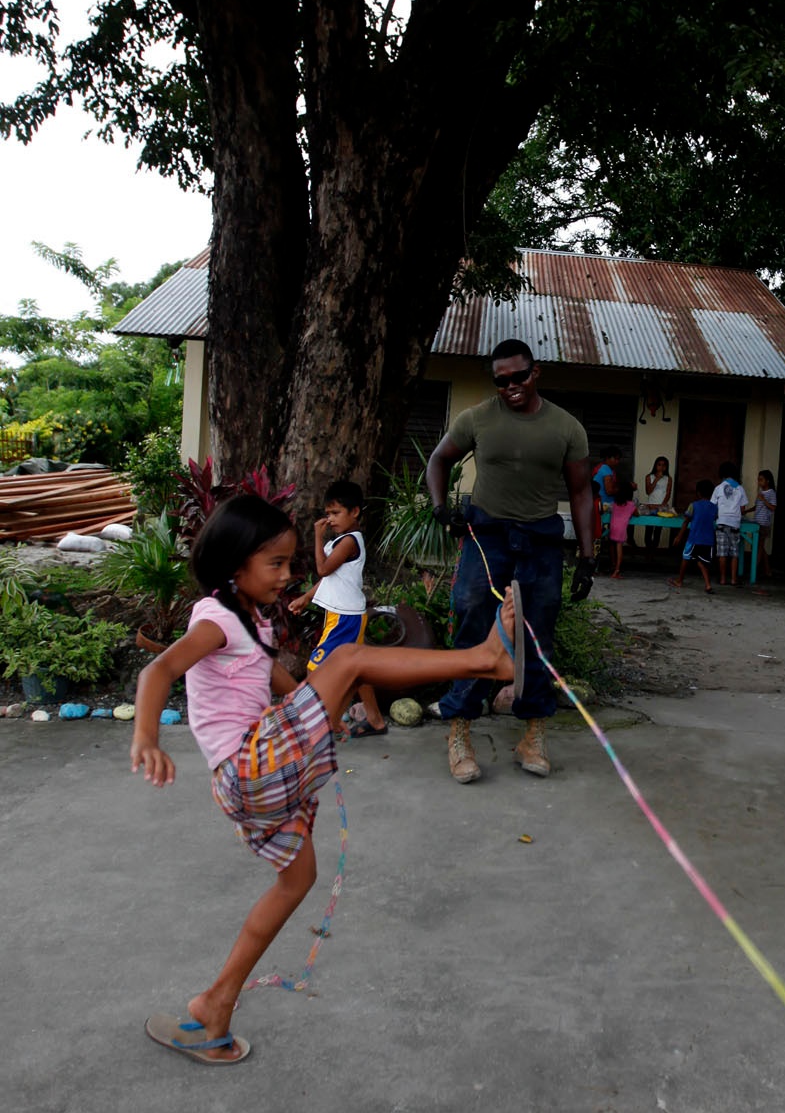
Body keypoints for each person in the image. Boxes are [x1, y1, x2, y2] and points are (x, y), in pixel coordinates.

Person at [131, 494, 522, 1065]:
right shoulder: (213, 618)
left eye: (291, 562)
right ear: (234, 564)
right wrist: (146, 737)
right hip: (248, 768)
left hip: (252, 776)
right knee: (346, 660)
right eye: (275, 563)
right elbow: (160, 668)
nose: (289, 575)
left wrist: (322, 713)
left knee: (297, 880)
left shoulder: (249, 620)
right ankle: (485, 660)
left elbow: (277, 682)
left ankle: (215, 1009)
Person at [426, 338, 595, 783]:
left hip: (540, 538)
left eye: (519, 377)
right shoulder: (477, 419)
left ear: (535, 372)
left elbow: (581, 492)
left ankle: (533, 734)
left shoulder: (566, 427)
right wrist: (441, 507)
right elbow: (438, 460)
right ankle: (459, 729)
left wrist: (588, 556)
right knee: (471, 618)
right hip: (487, 536)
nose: (511, 386)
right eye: (502, 381)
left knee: (537, 632)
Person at [288, 479, 385, 737]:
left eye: (336, 513)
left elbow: (322, 568)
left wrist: (317, 537)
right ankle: (375, 720)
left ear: (355, 512)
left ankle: (317, 722)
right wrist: (307, 597)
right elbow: (329, 577)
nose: (330, 519)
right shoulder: (341, 541)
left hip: (345, 618)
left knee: (315, 667)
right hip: (346, 614)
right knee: (359, 669)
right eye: (328, 513)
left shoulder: (350, 541)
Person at [670, 479, 716, 592]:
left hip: (694, 538)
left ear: (698, 493)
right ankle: (708, 584)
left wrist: (679, 536)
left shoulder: (693, 505)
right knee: (701, 562)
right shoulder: (715, 507)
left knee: (686, 558)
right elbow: (714, 518)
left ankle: (679, 580)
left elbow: (686, 521)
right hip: (708, 539)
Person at [711, 462, 749, 587]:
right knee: (734, 553)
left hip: (721, 522)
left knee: (722, 552)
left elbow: (713, 507)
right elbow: (743, 509)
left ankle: (722, 579)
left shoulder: (718, 488)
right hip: (735, 524)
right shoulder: (740, 488)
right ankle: (733, 579)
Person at [743, 469, 777, 579]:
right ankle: (768, 570)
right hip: (756, 523)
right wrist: (747, 511)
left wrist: (764, 500)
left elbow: (773, 508)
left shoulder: (771, 493)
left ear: (767, 481)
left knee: (758, 547)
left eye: (761, 480)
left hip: (764, 524)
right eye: (758, 480)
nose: (759, 482)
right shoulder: (761, 492)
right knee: (760, 547)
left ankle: (753, 570)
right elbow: (757, 507)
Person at [640, 456, 672, 551]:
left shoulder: (668, 478)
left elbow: (668, 494)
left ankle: (653, 551)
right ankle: (648, 550)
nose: (661, 467)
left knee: (658, 531)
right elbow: (648, 491)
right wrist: (656, 479)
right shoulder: (649, 477)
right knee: (648, 530)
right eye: (659, 465)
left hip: (661, 508)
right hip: (650, 507)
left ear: (666, 467)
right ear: (655, 465)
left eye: (663, 465)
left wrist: (661, 506)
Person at [608, 482, 638, 578]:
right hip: (621, 529)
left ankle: (613, 564)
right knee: (619, 549)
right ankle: (617, 570)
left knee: (612, 544)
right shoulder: (631, 504)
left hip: (613, 527)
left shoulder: (615, 503)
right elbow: (637, 514)